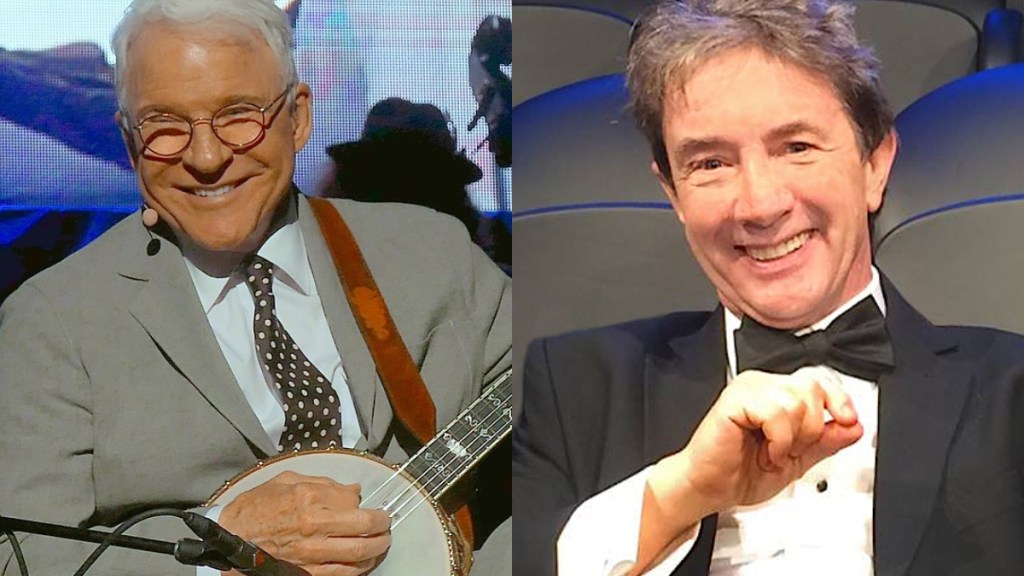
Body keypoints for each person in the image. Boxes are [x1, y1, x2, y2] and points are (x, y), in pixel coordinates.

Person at [512, 1, 1024, 575]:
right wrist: (678, 493)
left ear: (874, 164)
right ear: (673, 193)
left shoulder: (1012, 389)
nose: (759, 205)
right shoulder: (576, 386)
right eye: (709, 163)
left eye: (796, 147)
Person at [0, 0, 510, 575]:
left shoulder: (434, 254)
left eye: (239, 115)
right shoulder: (51, 324)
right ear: (128, 142)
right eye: (165, 126)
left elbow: (562, 432)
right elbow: (19, 552)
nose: (208, 157)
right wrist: (211, 560)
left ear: (298, 119)